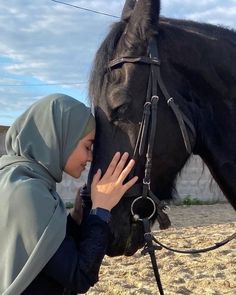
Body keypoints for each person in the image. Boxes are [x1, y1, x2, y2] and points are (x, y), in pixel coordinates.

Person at [0, 93, 138, 295]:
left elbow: (47, 257)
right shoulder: (27, 192)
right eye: (87, 146)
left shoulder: (14, 178)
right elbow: (79, 275)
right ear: (61, 137)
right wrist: (101, 210)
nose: (90, 157)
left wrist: (75, 218)